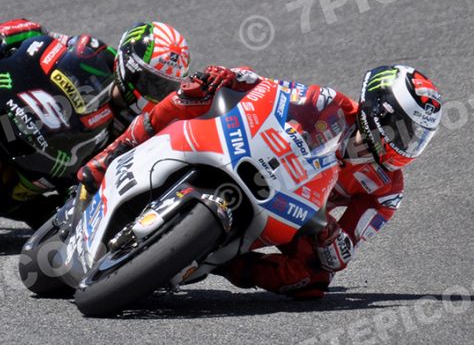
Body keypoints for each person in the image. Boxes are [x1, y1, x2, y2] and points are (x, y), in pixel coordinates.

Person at [77, 64, 443, 299]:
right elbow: (273, 91)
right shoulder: (330, 102)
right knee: (195, 92)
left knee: (315, 280)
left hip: (299, 213)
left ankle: (221, 263)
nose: (404, 143)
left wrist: (333, 238)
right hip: (261, 163)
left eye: (415, 138)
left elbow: (345, 249)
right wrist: (235, 77)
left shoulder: (387, 189)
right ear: (378, 107)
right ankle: (116, 151)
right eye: (402, 128)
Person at [0, 18, 192, 228]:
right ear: (127, 62)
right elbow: (39, 36)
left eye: (159, 88)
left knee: (48, 215)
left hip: (51, 166)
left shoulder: (137, 124)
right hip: (15, 108)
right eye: (147, 80)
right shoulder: (91, 51)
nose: (149, 92)